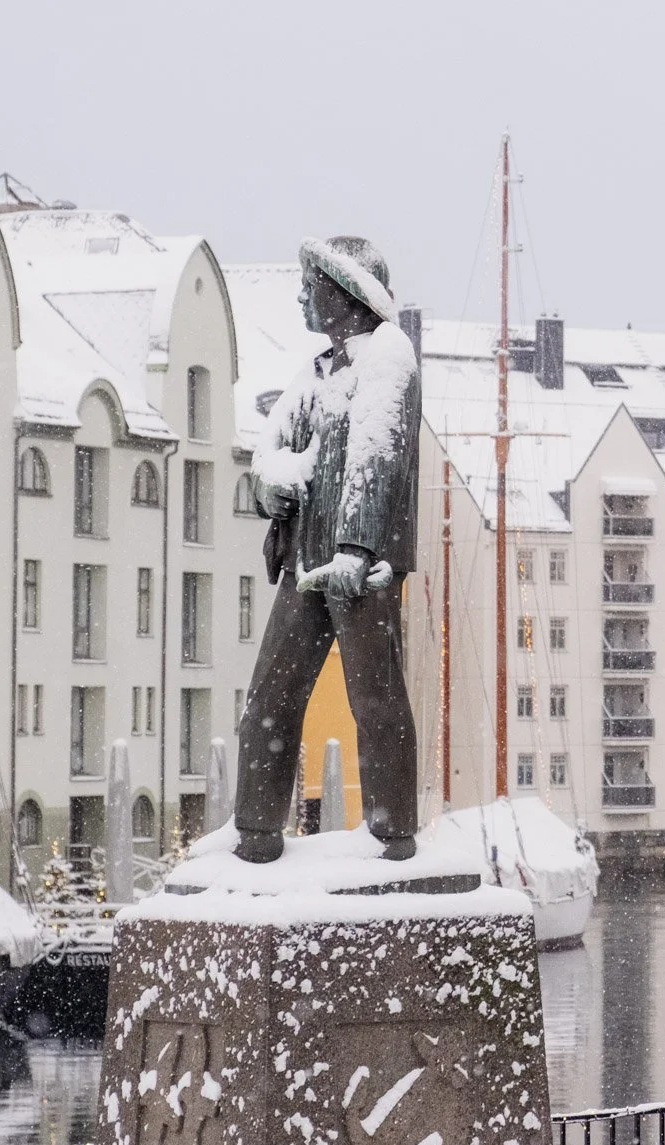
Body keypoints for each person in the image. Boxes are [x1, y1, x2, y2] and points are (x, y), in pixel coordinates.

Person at [233, 236, 422, 863]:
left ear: (345, 292)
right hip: (305, 562)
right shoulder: (314, 372)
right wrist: (269, 485)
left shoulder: (387, 357)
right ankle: (255, 832)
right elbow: (269, 451)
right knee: (271, 697)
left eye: (309, 284)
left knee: (375, 699)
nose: (300, 296)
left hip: (360, 567)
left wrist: (356, 549)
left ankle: (393, 835)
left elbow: (377, 453)